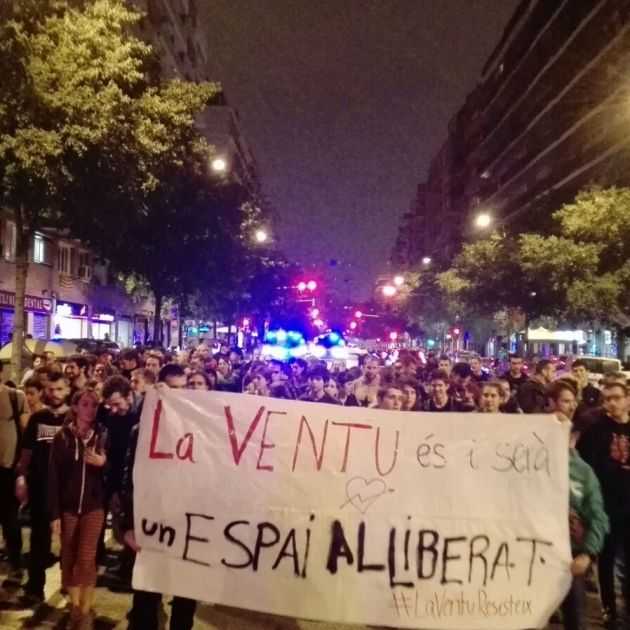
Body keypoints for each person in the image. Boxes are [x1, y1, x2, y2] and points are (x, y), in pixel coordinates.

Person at [121, 381, 197, 630]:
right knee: (147, 592)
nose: (177, 392)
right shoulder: (142, 429)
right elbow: (130, 480)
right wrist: (128, 525)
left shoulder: (202, 431)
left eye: (184, 387)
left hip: (191, 527)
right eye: (170, 387)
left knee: (185, 595)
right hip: (153, 523)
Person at [547, 380, 608, 630]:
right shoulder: (524, 463)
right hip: (529, 554)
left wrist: (587, 553)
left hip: (568, 556)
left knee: (576, 619)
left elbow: (597, 515)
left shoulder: (582, 472)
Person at [48, 389, 107, 629]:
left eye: (94, 405)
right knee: (69, 557)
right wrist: (54, 514)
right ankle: (74, 606)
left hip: (94, 506)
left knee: (86, 558)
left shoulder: (102, 435)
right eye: (85, 404)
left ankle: (85, 609)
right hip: (69, 508)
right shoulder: (62, 437)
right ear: (75, 407)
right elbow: (53, 478)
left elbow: (115, 471)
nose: (90, 410)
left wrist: (103, 463)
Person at [577, 380, 630, 627]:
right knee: (606, 560)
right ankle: (609, 609)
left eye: (617, 397)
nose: (612, 403)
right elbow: (585, 466)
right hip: (606, 505)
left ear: (627, 398)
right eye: (607, 399)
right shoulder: (595, 430)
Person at [15, 372, 70, 605]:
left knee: (70, 539)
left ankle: (71, 585)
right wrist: (21, 478)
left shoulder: (75, 417)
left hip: (67, 489)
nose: (55, 394)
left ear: (67, 390)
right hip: (40, 488)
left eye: (59, 389)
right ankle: (35, 587)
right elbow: (26, 452)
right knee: (39, 540)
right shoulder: (38, 418)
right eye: (51, 389)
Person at [0, 370, 25, 585]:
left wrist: (23, 470)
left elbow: (26, 434)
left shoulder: (15, 397)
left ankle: (15, 564)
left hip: (8, 469)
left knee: (10, 519)